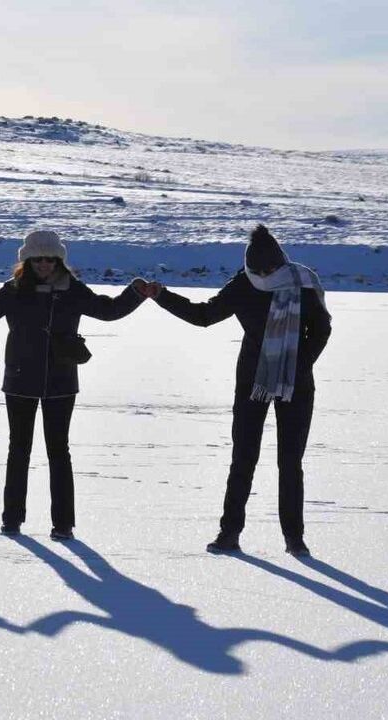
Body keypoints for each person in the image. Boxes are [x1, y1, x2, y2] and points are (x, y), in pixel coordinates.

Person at [0, 230, 147, 540]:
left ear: (59, 261)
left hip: (61, 382)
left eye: (49, 259)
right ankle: (12, 519)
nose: (43, 264)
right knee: (19, 450)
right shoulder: (15, 290)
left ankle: (63, 524)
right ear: (26, 261)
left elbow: (107, 310)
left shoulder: (72, 290)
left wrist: (136, 293)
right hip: (20, 380)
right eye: (37, 259)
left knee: (59, 451)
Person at [141, 224, 331, 556]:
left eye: (270, 269)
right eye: (258, 270)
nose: (264, 275)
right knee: (242, 457)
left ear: (281, 262)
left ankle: (294, 538)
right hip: (252, 382)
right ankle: (229, 533)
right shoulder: (244, 284)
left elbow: (321, 329)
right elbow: (204, 315)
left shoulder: (302, 281)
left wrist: (299, 365)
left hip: (296, 384)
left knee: (290, 461)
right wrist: (162, 296)